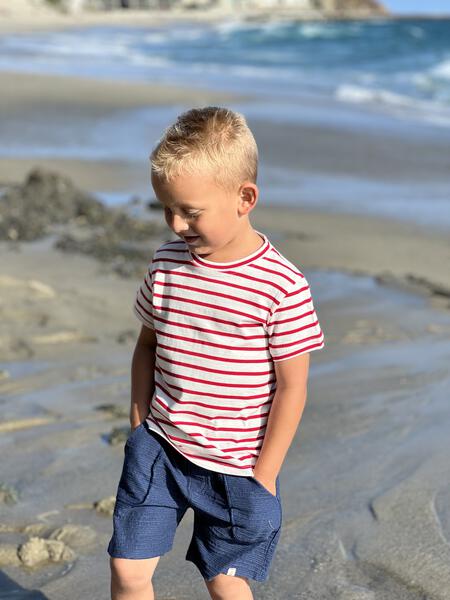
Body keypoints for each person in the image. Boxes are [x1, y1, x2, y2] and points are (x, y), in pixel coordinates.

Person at [108, 106, 325, 600]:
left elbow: (293, 386)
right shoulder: (166, 263)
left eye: (191, 211)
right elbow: (147, 345)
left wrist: (264, 475)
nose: (177, 224)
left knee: (225, 583)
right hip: (160, 448)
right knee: (128, 569)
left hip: (237, 468)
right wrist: (140, 420)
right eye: (167, 209)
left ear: (245, 198)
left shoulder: (281, 286)